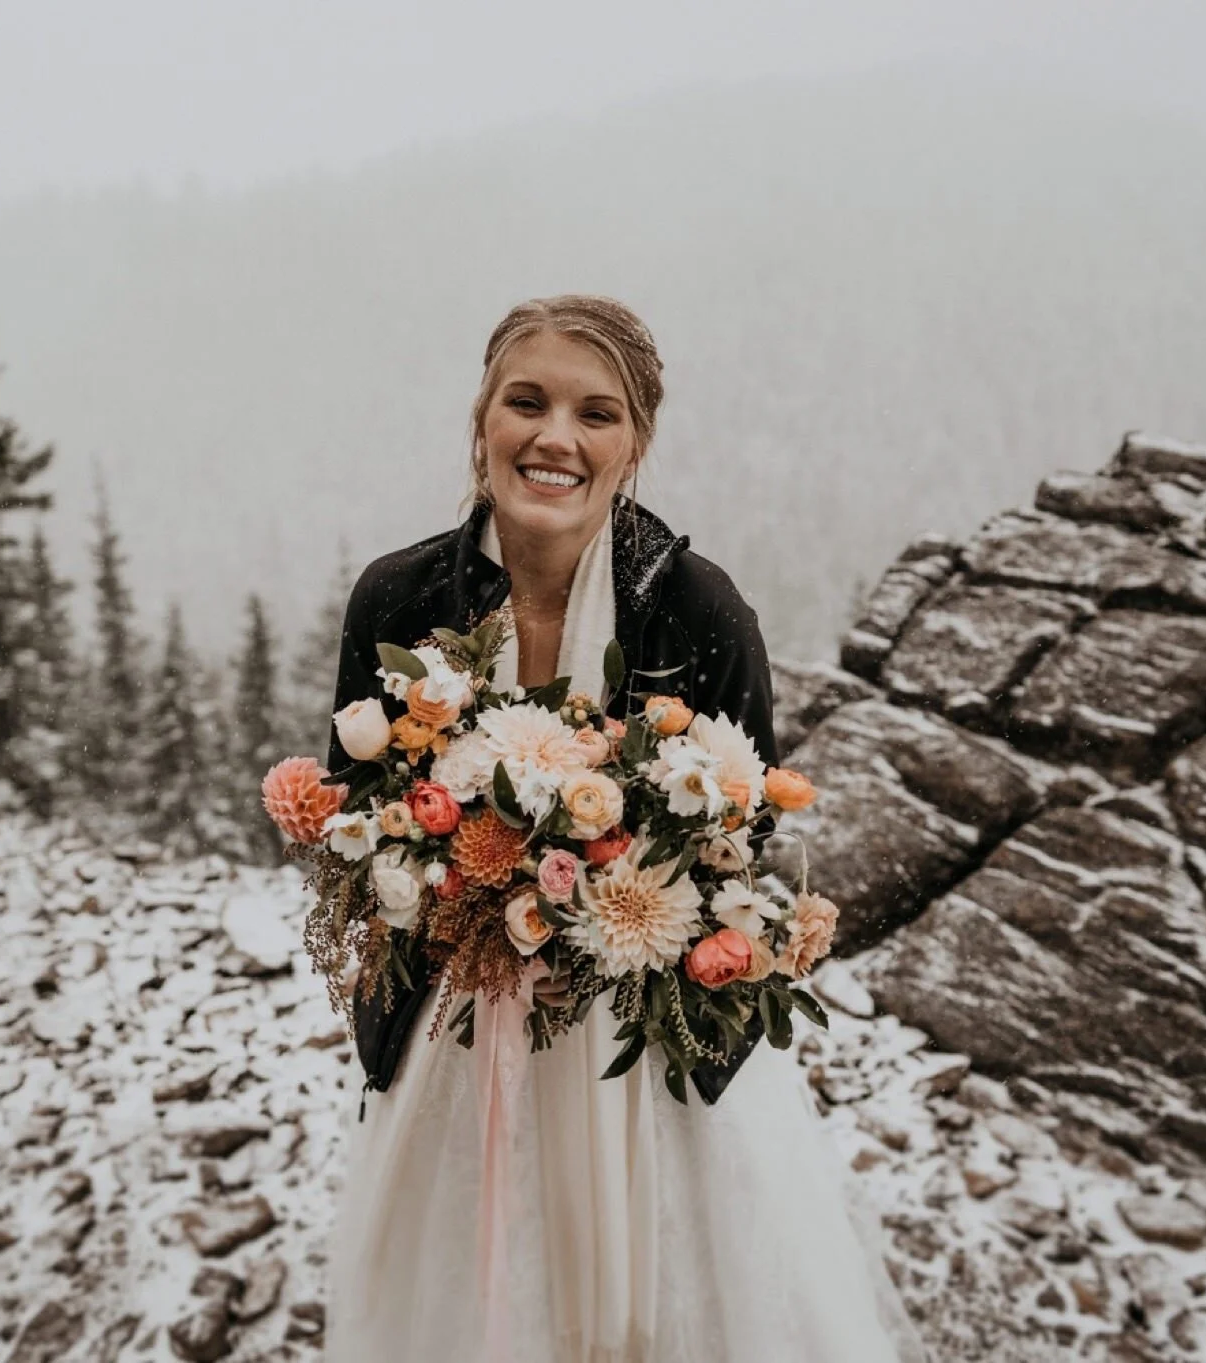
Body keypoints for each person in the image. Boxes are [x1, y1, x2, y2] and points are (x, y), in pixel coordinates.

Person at [319, 295, 928, 1363]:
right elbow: (351, 829)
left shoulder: (695, 609)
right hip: (457, 1044)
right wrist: (451, 885)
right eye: (526, 402)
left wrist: (619, 903)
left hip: (646, 1057)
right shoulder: (400, 599)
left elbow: (747, 858)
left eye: (594, 414)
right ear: (481, 419)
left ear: (633, 443)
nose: (554, 437)